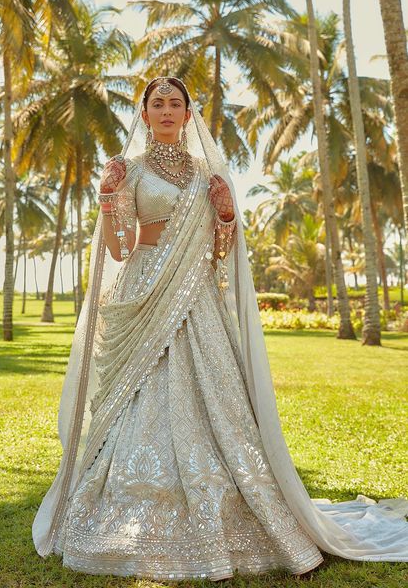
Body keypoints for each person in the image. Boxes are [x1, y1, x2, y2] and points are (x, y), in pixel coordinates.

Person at [32, 77, 408, 582]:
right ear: (144, 114)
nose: (166, 110)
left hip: (196, 300)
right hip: (144, 293)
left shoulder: (210, 173)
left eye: (175, 104)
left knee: (219, 402)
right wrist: (107, 196)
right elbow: (119, 249)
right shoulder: (131, 170)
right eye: (157, 103)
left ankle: (244, 511)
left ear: (189, 115)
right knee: (138, 400)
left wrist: (226, 214)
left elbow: (220, 254)